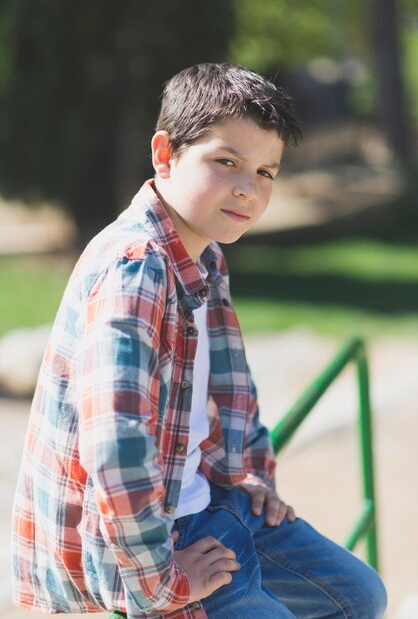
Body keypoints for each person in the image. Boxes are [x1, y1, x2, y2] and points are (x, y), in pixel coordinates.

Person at [12, 63, 387, 619]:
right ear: (164, 155)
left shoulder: (205, 253)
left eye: (266, 171)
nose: (248, 189)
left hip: (212, 499)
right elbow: (115, 446)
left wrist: (252, 472)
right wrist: (164, 579)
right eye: (226, 162)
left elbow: (231, 386)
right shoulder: (136, 268)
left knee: (361, 596)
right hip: (148, 547)